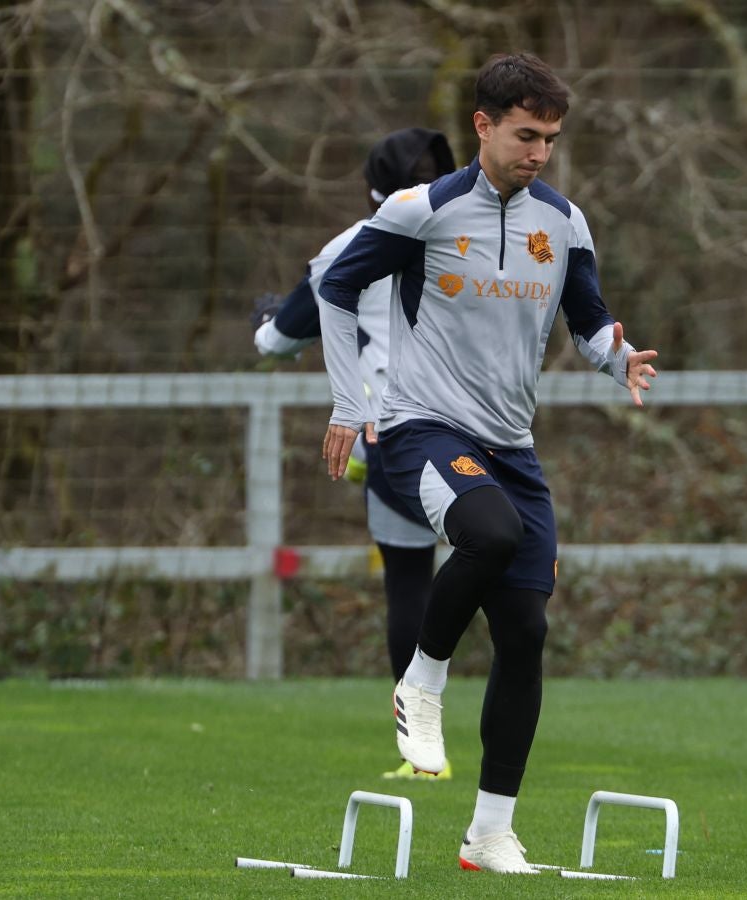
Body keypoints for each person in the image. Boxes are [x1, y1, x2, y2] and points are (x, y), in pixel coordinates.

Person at [318, 53, 658, 873]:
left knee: (526, 633)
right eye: (525, 135)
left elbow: (588, 321)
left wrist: (620, 359)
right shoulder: (419, 210)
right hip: (418, 429)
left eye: (550, 139)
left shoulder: (564, 221)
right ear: (483, 125)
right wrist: (347, 404)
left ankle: (489, 834)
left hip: (512, 447)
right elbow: (332, 285)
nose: (539, 152)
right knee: (490, 533)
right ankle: (421, 682)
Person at [252, 127, 458, 780]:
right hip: (480, 427)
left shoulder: (347, 247)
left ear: (372, 188)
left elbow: (276, 343)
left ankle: (422, 754)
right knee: (495, 569)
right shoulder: (474, 236)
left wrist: (267, 317)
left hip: (393, 434)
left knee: (409, 579)